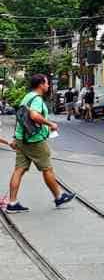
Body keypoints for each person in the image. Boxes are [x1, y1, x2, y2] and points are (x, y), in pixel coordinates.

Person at [6, 74, 76, 213]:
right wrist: (50, 124)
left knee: (19, 170)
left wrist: (15, 137)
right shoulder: (37, 99)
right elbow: (34, 116)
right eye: (47, 83)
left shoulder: (27, 97)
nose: (48, 85)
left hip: (22, 139)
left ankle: (12, 203)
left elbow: (21, 118)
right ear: (41, 85)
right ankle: (59, 196)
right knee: (47, 168)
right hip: (34, 140)